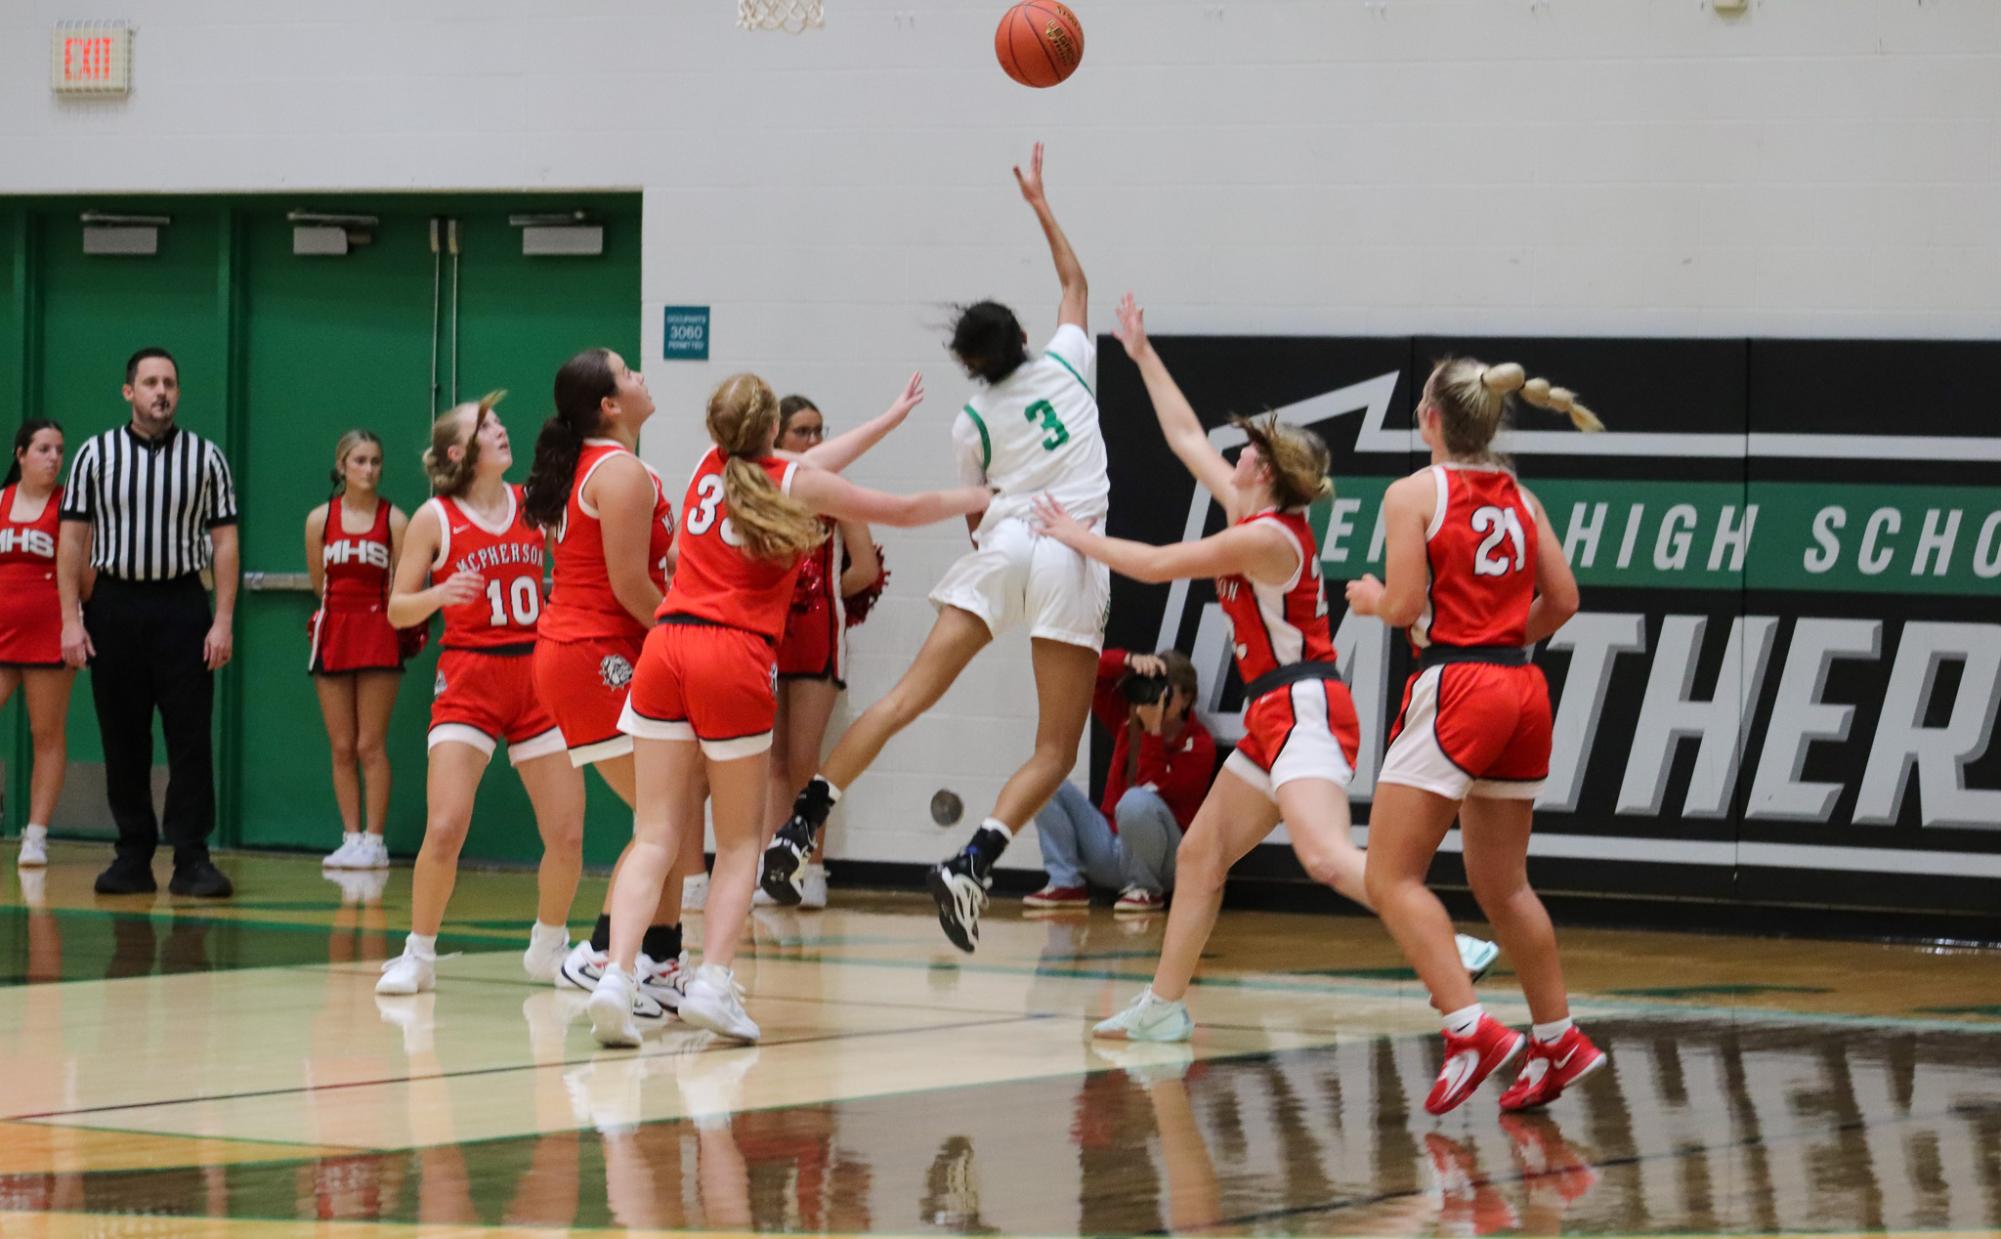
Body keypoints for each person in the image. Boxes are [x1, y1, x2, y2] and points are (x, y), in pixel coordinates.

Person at [1033, 293, 1496, 1043]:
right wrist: (1141, 353)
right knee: (1199, 852)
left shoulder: (1266, 539)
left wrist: (1071, 535)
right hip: (1274, 714)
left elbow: (1153, 565)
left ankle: (1443, 942)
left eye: (1247, 449)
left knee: (1321, 854)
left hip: (1305, 706)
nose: (1235, 451)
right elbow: (1185, 438)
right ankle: (1164, 1004)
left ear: (1267, 472)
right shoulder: (1247, 512)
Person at [761, 143, 1108, 957]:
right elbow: (1075, 285)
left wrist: (990, 570)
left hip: (1003, 544)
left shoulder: (970, 422)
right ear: (1024, 337)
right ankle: (974, 860)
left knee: (904, 699)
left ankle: (800, 822)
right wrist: (1039, 203)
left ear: (967, 366)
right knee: (1053, 748)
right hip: (1071, 553)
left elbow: (974, 512)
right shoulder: (1068, 363)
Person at [587, 370, 989, 1046]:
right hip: (731, 654)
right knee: (742, 839)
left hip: (666, 647)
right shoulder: (791, 482)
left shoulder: (703, 467)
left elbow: (811, 463)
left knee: (655, 834)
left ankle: (615, 978)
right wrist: (990, 493)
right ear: (773, 430)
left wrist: (888, 416)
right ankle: (713, 981)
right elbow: (908, 508)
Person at [1346, 357, 1607, 1115]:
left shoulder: (1412, 492)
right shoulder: (1521, 497)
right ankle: (1556, 1037)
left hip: (1459, 685)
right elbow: (1562, 599)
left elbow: (1402, 603)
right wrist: (1500, 640)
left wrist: (1367, 599)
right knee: (1503, 884)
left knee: (1388, 877)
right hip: (1522, 689)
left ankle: (1470, 1028)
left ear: (1430, 418)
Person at [374, 393, 589, 998]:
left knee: (568, 832)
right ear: (456, 451)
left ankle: (550, 945)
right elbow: (396, 609)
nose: (500, 430)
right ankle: (419, 953)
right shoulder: (434, 518)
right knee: (444, 825)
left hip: (537, 675)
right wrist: (441, 596)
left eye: (497, 422)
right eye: (486, 426)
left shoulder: (532, 503)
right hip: (470, 677)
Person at [520, 347, 701, 1010]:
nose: (642, 378)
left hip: (595, 650)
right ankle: (600, 951)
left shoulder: (611, 467)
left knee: (674, 810)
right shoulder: (618, 471)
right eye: (628, 373)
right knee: (665, 816)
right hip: (595, 654)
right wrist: (690, 640)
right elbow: (629, 584)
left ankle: (657, 955)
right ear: (608, 405)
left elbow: (651, 565)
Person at [59, 348, 238, 898]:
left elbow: (225, 542)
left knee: (189, 738)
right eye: (150, 382)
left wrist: (223, 620)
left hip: (183, 606)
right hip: (114, 605)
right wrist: (71, 619)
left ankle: (191, 857)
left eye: (170, 383)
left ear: (178, 393)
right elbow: (71, 539)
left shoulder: (207, 458)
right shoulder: (95, 454)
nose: (161, 392)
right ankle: (132, 854)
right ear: (128, 392)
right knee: (123, 735)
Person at [755, 394, 885, 911]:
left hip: (815, 633)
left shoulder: (833, 488)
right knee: (771, 761)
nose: (812, 441)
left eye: (817, 431)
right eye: (801, 432)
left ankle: (811, 872)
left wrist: (822, 592)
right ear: (777, 437)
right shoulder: (763, 487)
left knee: (806, 758)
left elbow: (866, 569)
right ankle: (771, 867)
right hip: (766, 635)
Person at [1023, 647, 1214, 914]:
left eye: (1164, 692)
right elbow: (1090, 674)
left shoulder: (1200, 745)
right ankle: (1067, 882)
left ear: (1186, 699)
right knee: (1042, 780)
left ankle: (1146, 890)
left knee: (1136, 800)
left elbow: (1153, 787)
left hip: (1166, 863)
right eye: (1150, 689)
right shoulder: (1128, 721)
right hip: (1113, 851)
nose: (1153, 700)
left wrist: (1152, 733)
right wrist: (1129, 661)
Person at [306, 430, 410, 871]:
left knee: (371, 744)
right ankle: (350, 837)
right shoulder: (319, 520)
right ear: (342, 465)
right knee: (342, 744)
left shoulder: (395, 520)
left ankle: (375, 840)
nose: (369, 469)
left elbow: (402, 585)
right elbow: (318, 582)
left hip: (378, 630)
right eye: (360, 461)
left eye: (376, 461)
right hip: (334, 631)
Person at [2, 420, 72, 870]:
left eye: (59, 450)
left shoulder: (68, 508)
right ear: (20, 454)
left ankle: (35, 835)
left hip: (49, 631)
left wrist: (74, 624)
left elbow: (83, 576)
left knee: (45, 734)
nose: (53, 458)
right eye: (43, 449)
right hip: (2, 629)